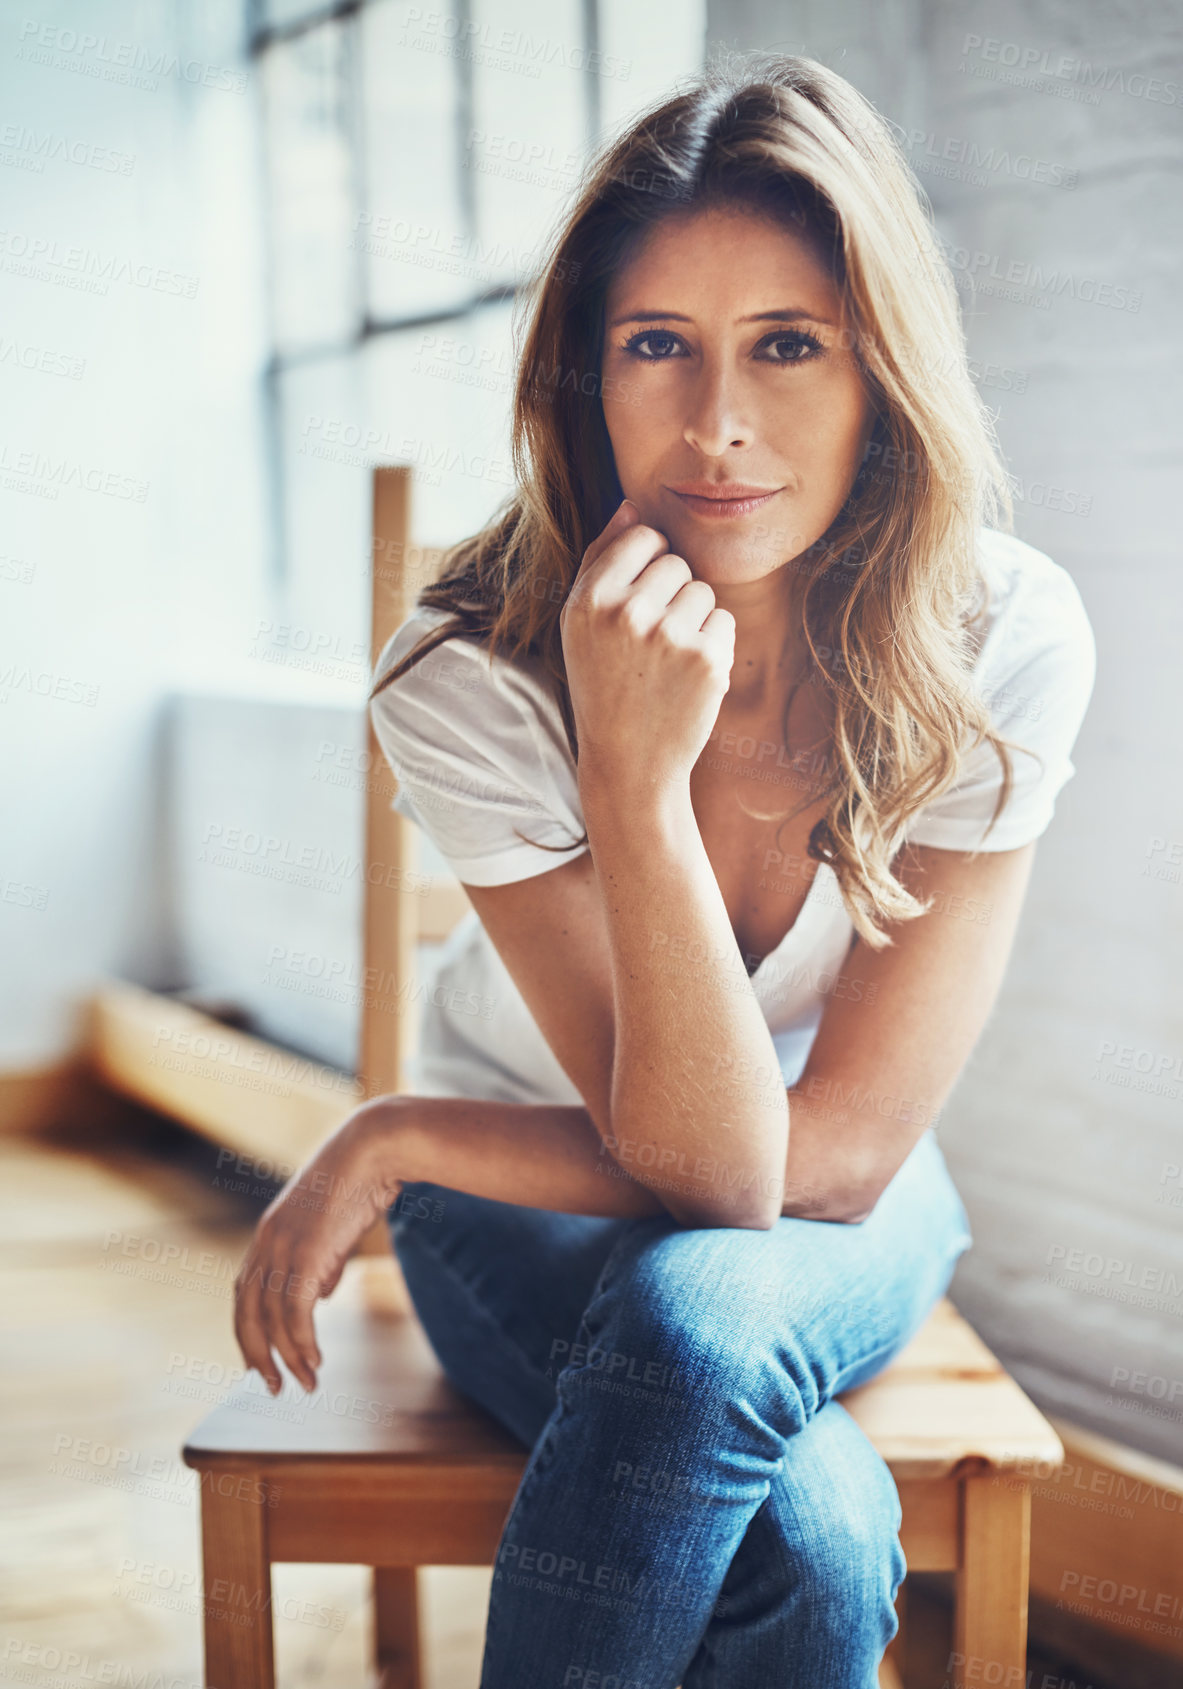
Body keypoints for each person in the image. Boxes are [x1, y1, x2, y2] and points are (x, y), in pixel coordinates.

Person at [233, 51, 1096, 1687]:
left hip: (844, 1173)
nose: (717, 426)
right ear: (587, 378)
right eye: (656, 348)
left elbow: (812, 1162)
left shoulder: (1006, 636)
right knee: (815, 1536)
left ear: (884, 371)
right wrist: (630, 777)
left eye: (788, 344)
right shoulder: (469, 674)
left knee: (710, 1316)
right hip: (525, 1188)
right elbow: (701, 1160)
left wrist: (400, 1126)